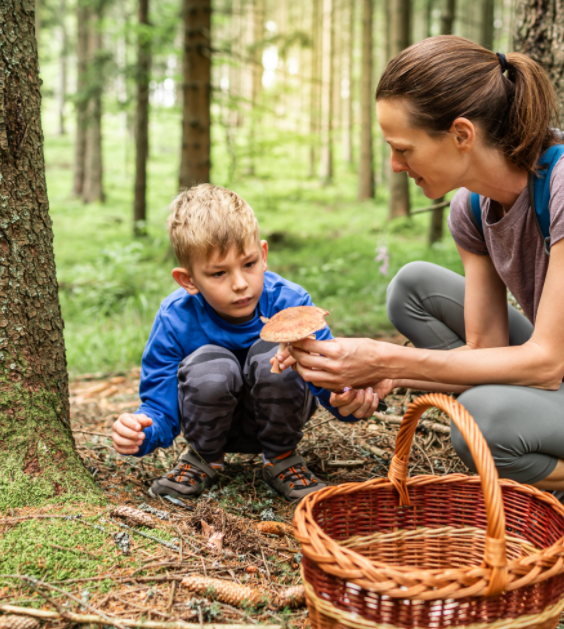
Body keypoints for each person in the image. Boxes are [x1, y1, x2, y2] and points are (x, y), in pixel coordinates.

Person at [284, 35, 564, 568]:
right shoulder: (472, 208)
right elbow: (484, 349)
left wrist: (388, 360)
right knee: (412, 288)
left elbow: (545, 363)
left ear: (461, 134)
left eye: (402, 148)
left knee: (479, 419)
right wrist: (386, 378)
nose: (394, 165)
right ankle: (561, 441)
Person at [111, 185, 376, 502]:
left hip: (280, 420)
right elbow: (160, 408)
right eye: (219, 273)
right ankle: (203, 458)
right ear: (188, 280)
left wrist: (351, 400)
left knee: (274, 355)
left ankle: (281, 458)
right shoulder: (175, 318)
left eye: (248, 264)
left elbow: (331, 383)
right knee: (212, 363)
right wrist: (141, 432)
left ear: (263, 255)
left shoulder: (291, 304)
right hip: (204, 425)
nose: (240, 284)